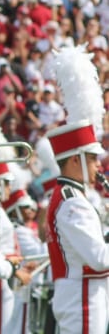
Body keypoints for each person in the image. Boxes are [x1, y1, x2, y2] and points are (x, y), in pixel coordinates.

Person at [45, 46, 109, 334]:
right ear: (75, 160)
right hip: (82, 299)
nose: (98, 165)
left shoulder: (72, 197)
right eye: (92, 158)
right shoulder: (72, 203)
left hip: (84, 296)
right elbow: (98, 259)